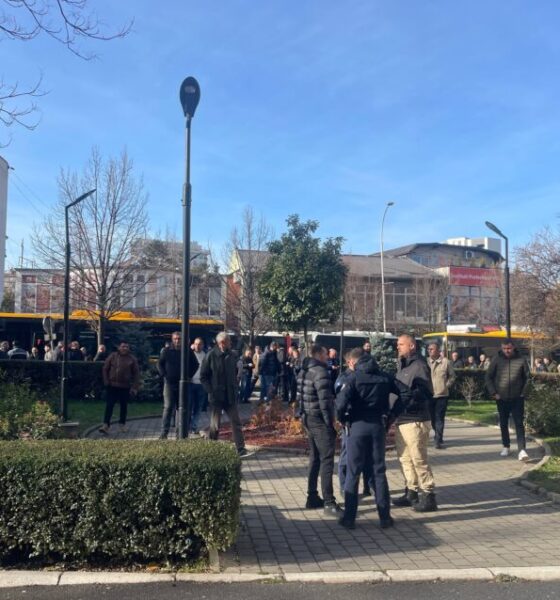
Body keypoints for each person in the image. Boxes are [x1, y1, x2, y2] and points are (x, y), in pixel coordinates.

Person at [336, 347, 413, 530]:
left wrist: (343, 420)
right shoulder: (384, 377)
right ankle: (384, 517)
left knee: (353, 472)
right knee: (379, 471)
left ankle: (349, 518)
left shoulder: (353, 378)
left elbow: (340, 404)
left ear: (356, 362)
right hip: (378, 425)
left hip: (356, 426)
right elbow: (406, 393)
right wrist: (392, 414)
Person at [392, 334, 438, 512]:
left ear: (412, 346)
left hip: (415, 419)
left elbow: (425, 392)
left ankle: (428, 495)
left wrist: (408, 402)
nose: (398, 347)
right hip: (402, 419)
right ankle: (411, 491)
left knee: (419, 458)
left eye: (401, 344)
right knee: (405, 458)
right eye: (397, 344)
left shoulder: (419, 366)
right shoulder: (403, 365)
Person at [297, 343, 342, 516]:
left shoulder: (303, 370)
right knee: (326, 460)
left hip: (308, 417)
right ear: (317, 354)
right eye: (324, 354)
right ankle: (329, 502)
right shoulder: (321, 372)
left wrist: (300, 415)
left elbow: (299, 396)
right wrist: (330, 423)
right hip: (318, 419)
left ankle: (312, 496)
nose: (327, 357)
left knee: (315, 458)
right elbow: (325, 402)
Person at [200, 332, 252, 457]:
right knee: (215, 425)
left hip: (230, 395)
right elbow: (203, 376)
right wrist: (210, 390)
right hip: (216, 396)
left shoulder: (232, 355)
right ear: (222, 343)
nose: (230, 343)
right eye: (229, 341)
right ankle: (211, 448)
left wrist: (235, 383)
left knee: (236, 422)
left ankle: (240, 448)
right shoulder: (211, 355)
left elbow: (236, 371)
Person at [336, 350, 373, 499]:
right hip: (349, 422)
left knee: (368, 455)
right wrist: (341, 418)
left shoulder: (364, 375)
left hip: (365, 421)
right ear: (350, 362)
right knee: (347, 455)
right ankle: (344, 486)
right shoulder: (344, 378)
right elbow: (340, 401)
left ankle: (369, 485)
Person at [485, 339, 531, 461]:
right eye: (504, 348)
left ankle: (522, 450)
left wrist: (523, 393)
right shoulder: (496, 359)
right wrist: (494, 393)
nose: (507, 351)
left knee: (519, 424)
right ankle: (506, 446)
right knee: (503, 423)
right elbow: (488, 377)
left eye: (509, 348)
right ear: (502, 348)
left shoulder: (521, 359)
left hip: (517, 398)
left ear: (513, 347)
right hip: (501, 398)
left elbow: (528, 378)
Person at [157, 331, 198, 439]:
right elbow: (159, 364)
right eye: (175, 339)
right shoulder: (166, 351)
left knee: (181, 408)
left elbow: (195, 364)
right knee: (168, 407)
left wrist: (189, 376)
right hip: (169, 383)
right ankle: (164, 433)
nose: (177, 341)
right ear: (172, 339)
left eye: (179, 339)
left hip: (183, 384)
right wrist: (164, 375)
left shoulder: (187, 351)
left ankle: (179, 434)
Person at [99, 341, 140, 434]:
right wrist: (106, 381)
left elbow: (136, 374)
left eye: (126, 347)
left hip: (125, 386)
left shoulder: (132, 359)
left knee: (123, 406)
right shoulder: (113, 356)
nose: (124, 348)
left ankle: (122, 424)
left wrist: (135, 387)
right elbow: (105, 368)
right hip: (112, 385)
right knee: (109, 405)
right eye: (123, 346)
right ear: (119, 347)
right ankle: (106, 425)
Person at [427, 342, 455, 449]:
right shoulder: (426, 362)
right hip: (430, 395)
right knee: (432, 418)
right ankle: (438, 435)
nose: (429, 351)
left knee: (439, 417)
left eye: (432, 349)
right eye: (429, 349)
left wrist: (446, 386)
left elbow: (452, 376)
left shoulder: (446, 362)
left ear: (438, 350)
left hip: (442, 395)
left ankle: (438, 439)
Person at [190, 337, 208, 434]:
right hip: (191, 383)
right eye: (196, 344)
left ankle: (193, 426)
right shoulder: (190, 354)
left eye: (200, 344)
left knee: (198, 407)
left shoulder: (205, 355)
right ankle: (187, 425)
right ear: (193, 344)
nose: (198, 346)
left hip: (201, 384)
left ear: (203, 345)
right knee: (189, 406)